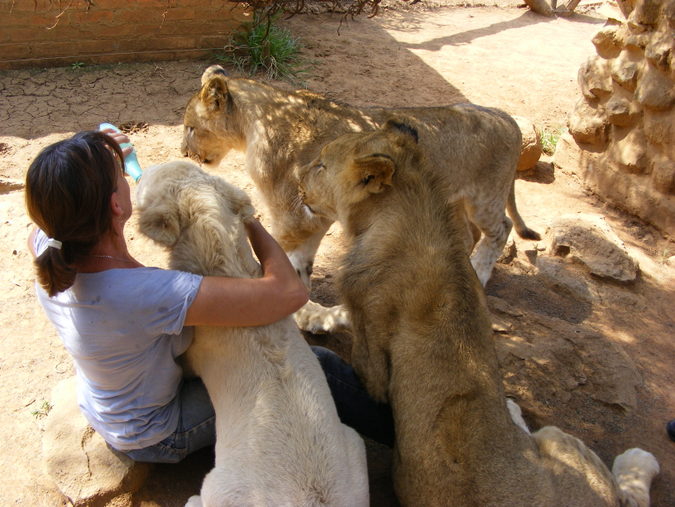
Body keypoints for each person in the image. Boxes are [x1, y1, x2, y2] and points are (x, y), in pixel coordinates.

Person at [25, 129, 394, 464]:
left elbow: (55, 216)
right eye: (119, 176)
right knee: (313, 366)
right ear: (116, 206)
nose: (126, 178)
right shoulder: (150, 294)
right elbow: (289, 292)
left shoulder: (52, 244)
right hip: (158, 432)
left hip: (108, 405)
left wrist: (116, 164)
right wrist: (245, 214)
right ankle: (404, 436)